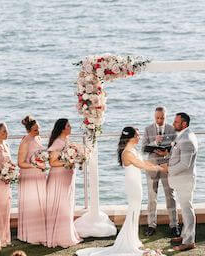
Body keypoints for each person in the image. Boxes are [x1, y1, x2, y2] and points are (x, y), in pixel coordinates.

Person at [76, 126, 164, 256]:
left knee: (135, 211)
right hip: (133, 185)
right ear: (132, 137)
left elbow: (143, 162)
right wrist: (161, 168)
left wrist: (157, 165)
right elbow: (142, 165)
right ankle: (128, 242)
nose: (139, 137)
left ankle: (133, 239)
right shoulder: (127, 153)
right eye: (137, 135)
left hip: (136, 183)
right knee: (133, 212)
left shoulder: (131, 150)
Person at [162, 112, 198, 252]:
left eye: (176, 122)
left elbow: (185, 164)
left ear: (184, 124)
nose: (173, 123)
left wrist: (168, 168)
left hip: (185, 180)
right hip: (181, 180)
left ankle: (189, 241)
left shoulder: (187, 139)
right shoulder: (183, 135)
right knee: (184, 209)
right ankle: (184, 235)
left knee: (187, 210)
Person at [141, 106, 179, 237]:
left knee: (170, 195)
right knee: (152, 197)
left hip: (167, 166)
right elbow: (143, 148)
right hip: (152, 166)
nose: (159, 120)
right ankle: (151, 225)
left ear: (165, 117)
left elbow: (177, 147)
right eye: (157, 117)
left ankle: (174, 225)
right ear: (154, 117)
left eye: (162, 117)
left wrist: (167, 151)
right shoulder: (148, 129)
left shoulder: (172, 129)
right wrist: (154, 142)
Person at [45, 118, 82, 248]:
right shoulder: (58, 143)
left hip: (67, 177)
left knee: (67, 205)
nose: (71, 127)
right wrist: (68, 162)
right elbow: (52, 162)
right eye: (68, 125)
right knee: (61, 205)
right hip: (59, 178)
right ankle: (60, 237)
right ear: (62, 128)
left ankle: (66, 233)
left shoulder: (67, 142)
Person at [17, 115, 48, 244]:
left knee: (40, 203)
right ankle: (30, 235)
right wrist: (35, 165)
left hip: (39, 175)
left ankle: (41, 231)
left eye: (39, 129)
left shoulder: (38, 138)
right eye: (35, 130)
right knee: (31, 203)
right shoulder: (25, 141)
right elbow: (20, 163)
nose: (38, 131)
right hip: (29, 176)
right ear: (29, 130)